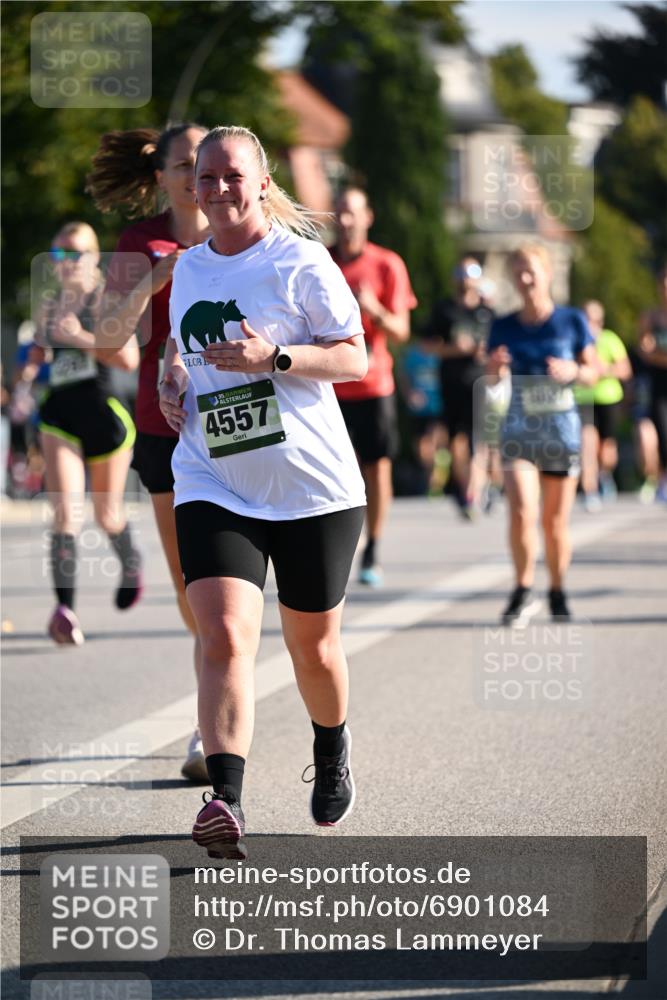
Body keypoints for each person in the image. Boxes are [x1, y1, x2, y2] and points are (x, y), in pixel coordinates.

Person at [158, 125, 367, 859]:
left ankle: (332, 747)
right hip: (213, 475)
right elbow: (180, 348)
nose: (215, 190)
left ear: (262, 182)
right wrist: (171, 379)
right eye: (204, 177)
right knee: (222, 635)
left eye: (231, 177)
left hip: (311, 486)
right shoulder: (188, 268)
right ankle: (226, 800)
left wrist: (272, 356)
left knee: (312, 649)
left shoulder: (299, 261)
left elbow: (354, 355)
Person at [86, 122, 211, 781]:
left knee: (237, 583)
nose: (197, 174)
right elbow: (108, 342)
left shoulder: (242, 231)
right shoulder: (141, 243)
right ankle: (209, 728)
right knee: (196, 584)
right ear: (160, 176)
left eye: (206, 160)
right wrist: (153, 281)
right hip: (164, 430)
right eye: (184, 164)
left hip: (238, 428)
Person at [35, 222, 141, 645]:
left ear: (95, 257)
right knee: (64, 513)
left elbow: (129, 359)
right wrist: (34, 361)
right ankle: (65, 610)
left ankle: (130, 562)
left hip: (105, 415)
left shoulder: (106, 300)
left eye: (74, 253)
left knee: (106, 515)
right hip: (59, 415)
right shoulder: (48, 306)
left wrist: (78, 337)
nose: (65, 263)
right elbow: (44, 356)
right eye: (58, 254)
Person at [487, 245, 598, 625]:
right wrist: (494, 368)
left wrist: (573, 371)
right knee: (521, 511)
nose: (525, 279)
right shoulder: (503, 325)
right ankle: (522, 589)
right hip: (519, 429)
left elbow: (594, 371)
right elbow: (491, 377)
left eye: (531, 271)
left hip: (560, 431)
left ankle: (557, 589)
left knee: (553, 523)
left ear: (547, 274)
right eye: (518, 272)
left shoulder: (571, 321)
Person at [331, 188, 416, 586]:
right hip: (325, 387)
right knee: (328, 471)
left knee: (376, 468)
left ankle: (374, 546)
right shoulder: (320, 261)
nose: (345, 221)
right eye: (340, 213)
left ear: (368, 217)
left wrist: (373, 308)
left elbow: (401, 330)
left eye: (352, 213)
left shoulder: (387, 264)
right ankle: (333, 546)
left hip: (372, 385)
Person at [426, 257, 494, 519]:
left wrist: (484, 354)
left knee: (479, 441)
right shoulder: (444, 309)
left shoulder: (487, 313)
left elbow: (500, 349)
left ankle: (474, 493)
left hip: (480, 384)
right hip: (451, 382)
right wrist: (455, 349)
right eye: (462, 273)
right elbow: (426, 345)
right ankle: (465, 489)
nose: (466, 279)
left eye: (472, 274)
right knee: (456, 442)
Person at [575, 300, 631, 511]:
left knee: (606, 450)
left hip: (608, 398)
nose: (591, 323)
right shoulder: (576, 340)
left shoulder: (609, 339)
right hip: (582, 397)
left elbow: (625, 370)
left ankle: (604, 474)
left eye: (594, 319)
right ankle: (590, 490)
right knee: (586, 442)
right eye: (586, 319)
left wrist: (603, 369)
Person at [638, 266, 667, 503]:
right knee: (661, 429)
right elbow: (644, 350)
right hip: (658, 381)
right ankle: (662, 479)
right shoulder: (651, 316)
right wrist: (655, 355)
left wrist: (657, 354)